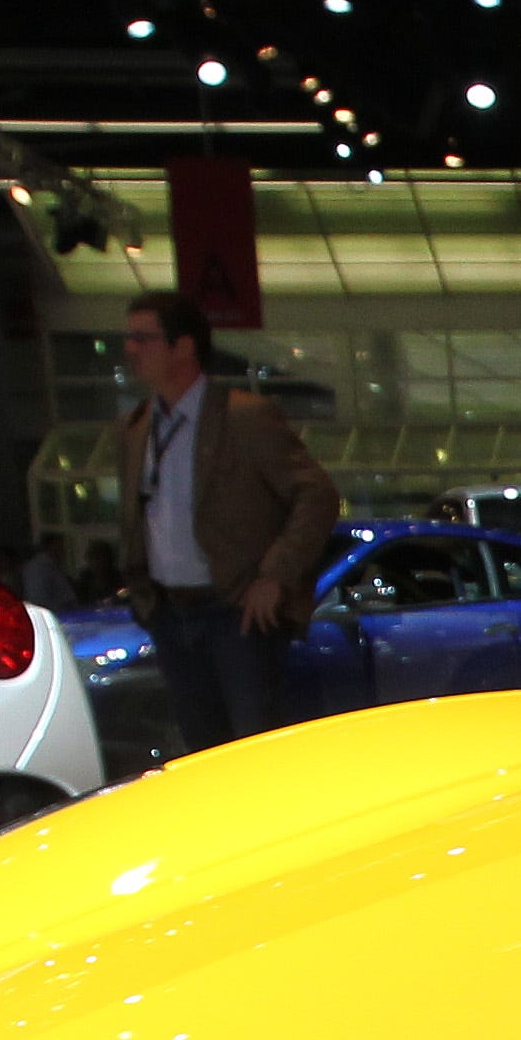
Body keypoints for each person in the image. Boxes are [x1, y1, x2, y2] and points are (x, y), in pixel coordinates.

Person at [113, 289, 342, 752]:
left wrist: (275, 576)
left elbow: (316, 496)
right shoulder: (136, 426)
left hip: (234, 611)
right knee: (202, 755)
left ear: (184, 346)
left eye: (144, 338)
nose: (130, 349)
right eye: (129, 338)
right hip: (170, 612)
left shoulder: (243, 417)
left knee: (253, 752)